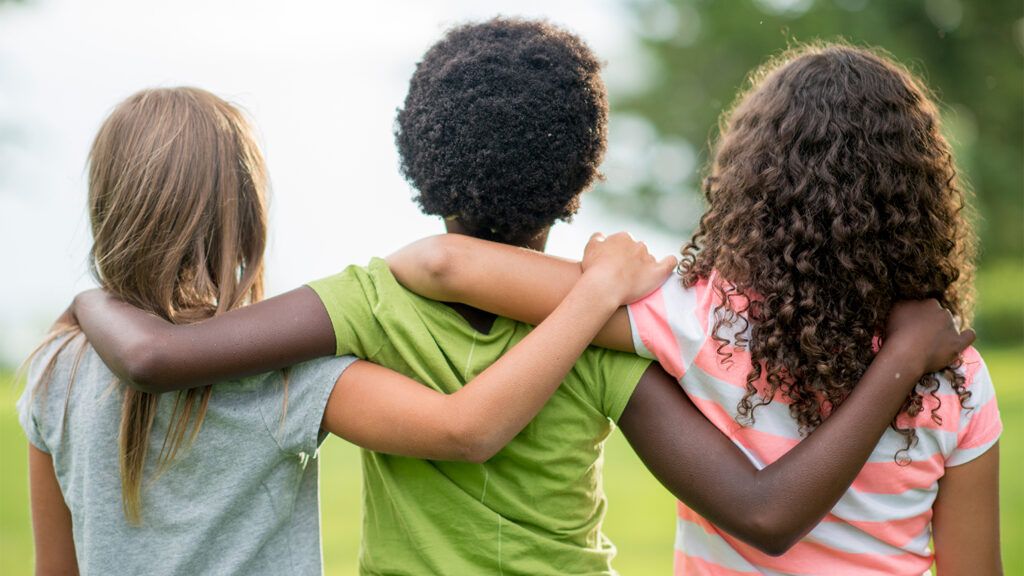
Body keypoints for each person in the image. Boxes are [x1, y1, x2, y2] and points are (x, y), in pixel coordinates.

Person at [69, 23, 975, 574]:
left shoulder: (370, 303)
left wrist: (88, 299)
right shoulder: (608, 332)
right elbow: (757, 503)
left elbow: (162, 356)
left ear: (420, 159)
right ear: (580, 178)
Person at [387, 43, 1003, 575]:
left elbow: (445, 262)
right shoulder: (957, 377)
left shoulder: (698, 316)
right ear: (920, 200)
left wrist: (608, 280)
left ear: (752, 184)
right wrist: (904, 359)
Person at [17, 86, 678, 575]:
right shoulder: (285, 377)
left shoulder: (54, 372)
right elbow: (463, 428)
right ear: (245, 215)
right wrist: (594, 292)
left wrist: (86, 297)